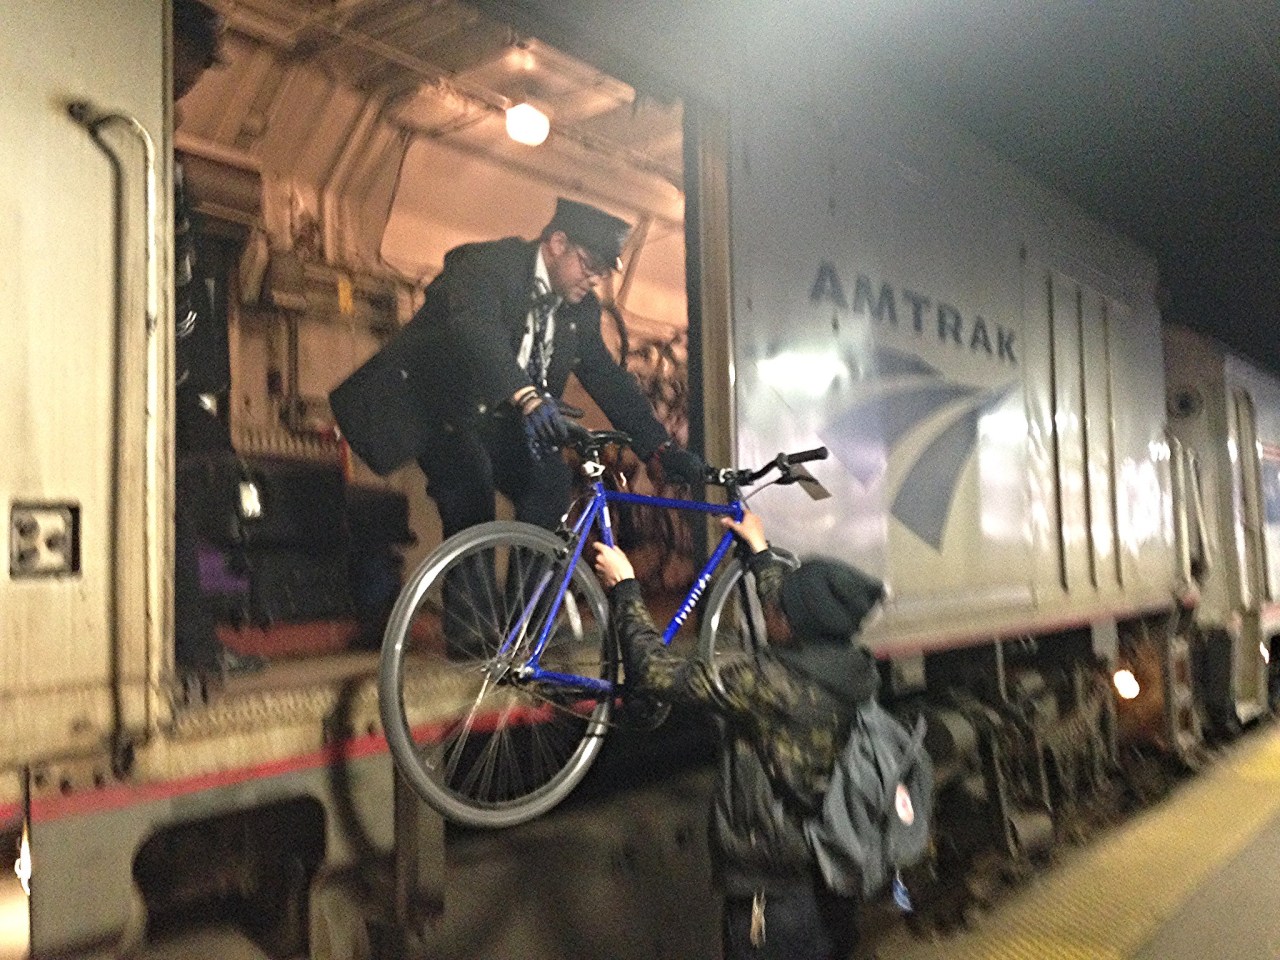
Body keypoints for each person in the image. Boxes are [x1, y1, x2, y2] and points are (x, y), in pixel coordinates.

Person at [591, 511, 886, 960]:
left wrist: (626, 588)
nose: (769, 610)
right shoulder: (851, 668)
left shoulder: (769, 683)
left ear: (790, 623)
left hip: (773, 894)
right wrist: (761, 552)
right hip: (829, 877)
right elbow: (796, 612)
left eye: (778, 608)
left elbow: (655, 672)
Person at [328, 197, 704, 542]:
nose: (594, 281)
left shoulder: (580, 309)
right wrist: (526, 395)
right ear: (558, 244)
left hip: (503, 424)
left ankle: (529, 609)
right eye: (589, 266)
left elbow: (606, 377)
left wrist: (658, 446)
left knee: (552, 482)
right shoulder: (488, 266)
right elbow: (477, 330)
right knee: (471, 496)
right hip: (447, 412)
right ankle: (473, 614)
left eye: (603, 274)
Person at [172, 0, 263, 680]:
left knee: (184, 501)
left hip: (171, 369)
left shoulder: (165, 139)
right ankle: (193, 648)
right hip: (158, 366)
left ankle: (193, 644)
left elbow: (187, 279)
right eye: (197, 58)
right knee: (169, 507)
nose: (200, 77)